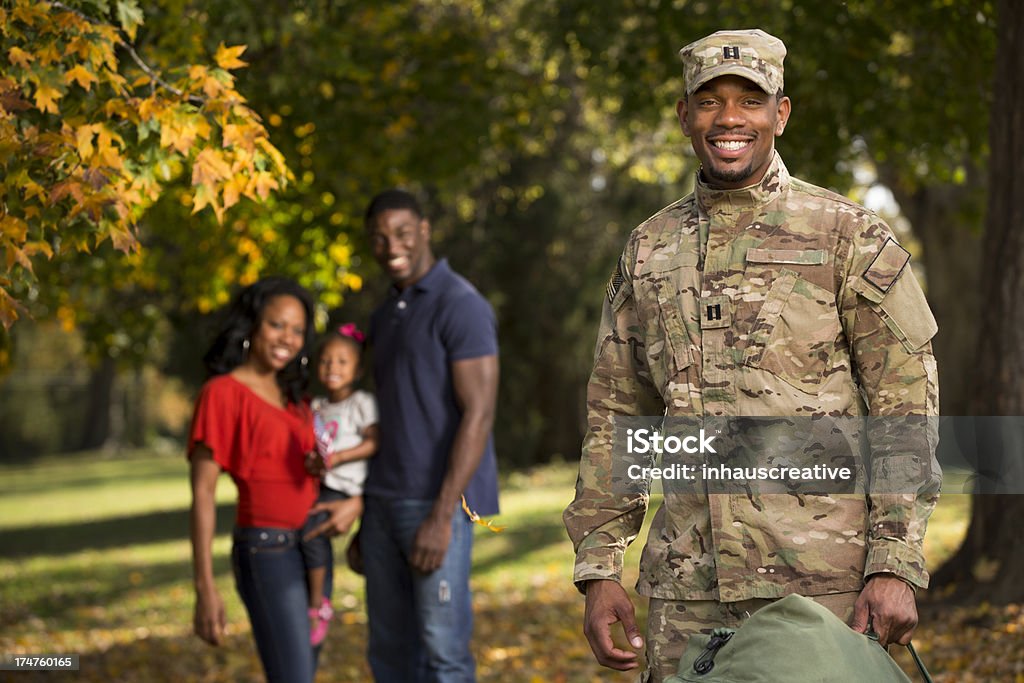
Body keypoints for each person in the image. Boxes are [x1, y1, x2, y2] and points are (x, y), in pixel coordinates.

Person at [563, 29, 941, 682]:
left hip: (822, 585)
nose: (729, 118)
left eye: (749, 100)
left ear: (780, 114)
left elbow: (905, 403)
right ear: (685, 116)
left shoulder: (848, 236)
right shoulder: (648, 250)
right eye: (709, 101)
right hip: (688, 591)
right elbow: (616, 415)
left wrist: (893, 561)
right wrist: (600, 566)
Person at [343, 187, 500, 682]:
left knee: (443, 653)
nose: (391, 246)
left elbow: (478, 415)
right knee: (389, 654)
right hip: (384, 505)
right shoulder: (385, 314)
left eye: (403, 233)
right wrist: (366, 514)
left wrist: (442, 516)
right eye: (379, 237)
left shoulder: (461, 305)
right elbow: (389, 418)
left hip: (437, 506)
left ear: (425, 231)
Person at [188, 276, 363, 683]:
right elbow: (202, 493)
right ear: (252, 325)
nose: (288, 337)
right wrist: (204, 587)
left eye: (298, 330)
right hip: (267, 553)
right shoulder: (222, 393)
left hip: (314, 548)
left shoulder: (297, 400)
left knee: (303, 672)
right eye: (276, 324)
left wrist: (355, 500)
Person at [300, 323, 379, 646]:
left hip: (348, 486)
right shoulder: (316, 406)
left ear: (357, 369)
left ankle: (319, 603)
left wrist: (339, 457)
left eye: (342, 362)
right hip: (321, 483)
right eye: (326, 361)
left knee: (312, 532)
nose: (333, 367)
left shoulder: (361, 402)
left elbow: (375, 442)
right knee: (304, 532)